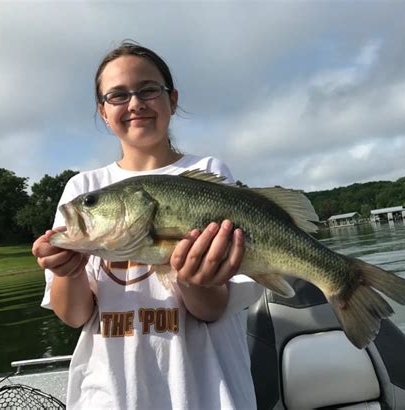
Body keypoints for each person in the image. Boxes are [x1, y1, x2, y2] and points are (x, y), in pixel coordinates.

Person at [32, 41, 263, 409]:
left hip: (204, 393)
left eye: (148, 90)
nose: (135, 103)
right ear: (103, 112)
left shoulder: (209, 174)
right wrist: (68, 272)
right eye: (118, 95)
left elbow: (211, 310)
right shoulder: (82, 190)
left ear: (172, 100)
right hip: (109, 395)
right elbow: (75, 315)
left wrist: (190, 277)